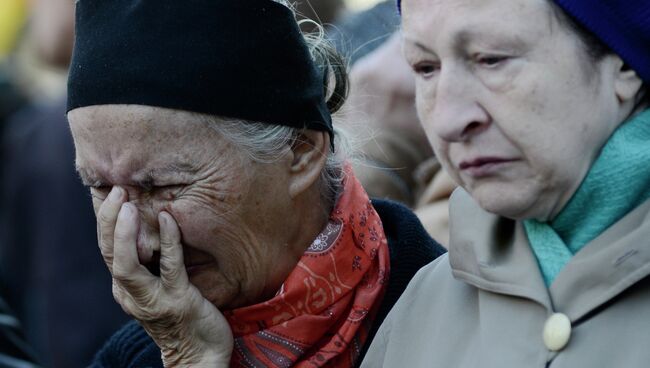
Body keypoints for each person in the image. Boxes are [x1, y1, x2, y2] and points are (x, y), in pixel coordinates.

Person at [66, 0, 445, 367]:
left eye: (163, 186)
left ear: (300, 151)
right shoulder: (135, 357)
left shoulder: (456, 320)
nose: (138, 242)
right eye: (100, 187)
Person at [361, 0, 650, 367]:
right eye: (425, 68)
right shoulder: (423, 303)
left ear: (621, 61)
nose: (448, 120)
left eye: (491, 59)